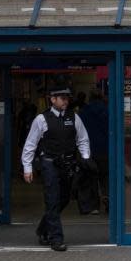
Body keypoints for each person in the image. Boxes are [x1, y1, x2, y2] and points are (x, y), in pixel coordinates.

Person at [21, 86, 91, 251]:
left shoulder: (74, 117)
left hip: (67, 164)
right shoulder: (41, 119)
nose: (65, 101)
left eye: (67, 98)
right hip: (49, 163)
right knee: (52, 200)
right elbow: (30, 144)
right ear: (52, 99)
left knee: (65, 198)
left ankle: (42, 229)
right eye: (62, 98)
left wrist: (86, 158)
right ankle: (56, 239)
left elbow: (83, 139)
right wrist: (27, 167)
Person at [77, 89, 109, 214]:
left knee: (90, 178)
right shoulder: (108, 111)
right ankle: (107, 198)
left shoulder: (83, 112)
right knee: (106, 177)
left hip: (88, 150)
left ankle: (93, 207)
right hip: (105, 150)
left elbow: (78, 132)